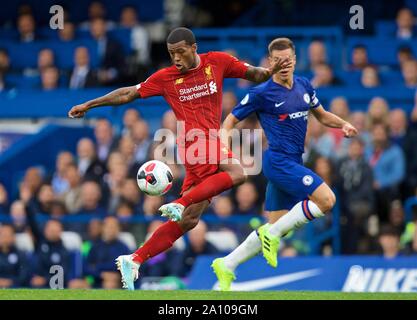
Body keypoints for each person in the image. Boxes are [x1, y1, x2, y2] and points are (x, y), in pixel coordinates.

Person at [68, 27, 290, 290]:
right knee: (239, 173)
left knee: (188, 220)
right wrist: (90, 104)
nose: (176, 58)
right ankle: (180, 201)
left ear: (194, 48)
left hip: (208, 144)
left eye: (180, 52)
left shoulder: (217, 62)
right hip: (195, 142)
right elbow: (128, 93)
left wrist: (271, 70)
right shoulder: (166, 77)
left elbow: (256, 74)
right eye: (171, 53)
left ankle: (134, 259)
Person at [211, 37, 358, 291]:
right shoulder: (261, 93)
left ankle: (227, 264)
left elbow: (321, 115)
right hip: (277, 161)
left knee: (276, 226)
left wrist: (343, 123)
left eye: (288, 60)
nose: (285, 65)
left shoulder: (304, 86)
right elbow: (228, 123)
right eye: (279, 61)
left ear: (295, 60)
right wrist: (225, 148)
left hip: (293, 161)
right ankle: (272, 236)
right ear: (270, 63)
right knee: (327, 200)